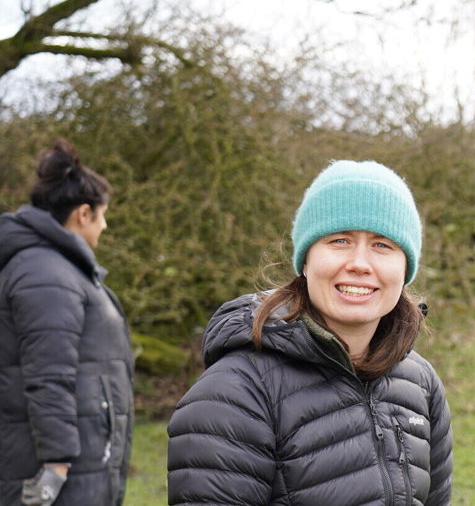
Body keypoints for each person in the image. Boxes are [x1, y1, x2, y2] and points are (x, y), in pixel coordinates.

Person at [166, 160, 452, 505]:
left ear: (406, 268)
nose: (360, 264)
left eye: (382, 245)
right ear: (305, 261)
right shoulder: (234, 393)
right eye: (340, 240)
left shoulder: (420, 383)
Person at [0, 139, 133, 506]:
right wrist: (56, 466)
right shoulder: (45, 274)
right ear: (83, 214)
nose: (105, 226)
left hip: (84, 465)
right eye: (102, 216)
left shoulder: (59, 270)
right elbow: (48, 374)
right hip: (64, 476)